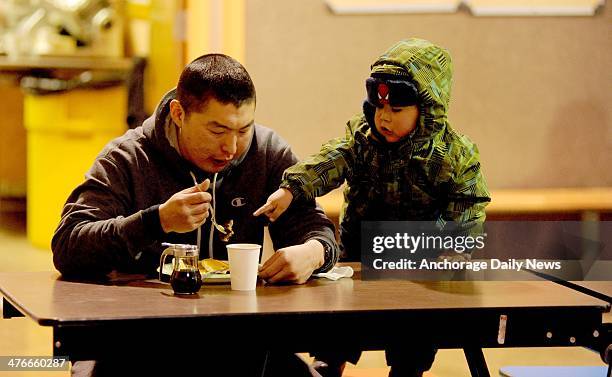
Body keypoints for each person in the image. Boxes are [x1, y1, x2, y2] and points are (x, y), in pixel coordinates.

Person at [52, 53, 339, 376]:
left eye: (243, 129)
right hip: (137, 339)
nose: (230, 148)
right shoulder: (128, 158)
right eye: (217, 130)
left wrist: (313, 253)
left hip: (243, 339)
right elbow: (68, 246)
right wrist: (155, 221)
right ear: (178, 113)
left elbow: (315, 229)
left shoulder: (267, 153)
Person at [254, 38, 491, 377]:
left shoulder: (454, 155)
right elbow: (330, 161)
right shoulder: (363, 139)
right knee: (339, 316)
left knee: (416, 330)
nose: (385, 118)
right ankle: (328, 364)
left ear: (427, 110)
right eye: (379, 108)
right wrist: (291, 188)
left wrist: (453, 246)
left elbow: (470, 203)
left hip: (421, 259)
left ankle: (408, 371)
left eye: (396, 110)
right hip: (361, 252)